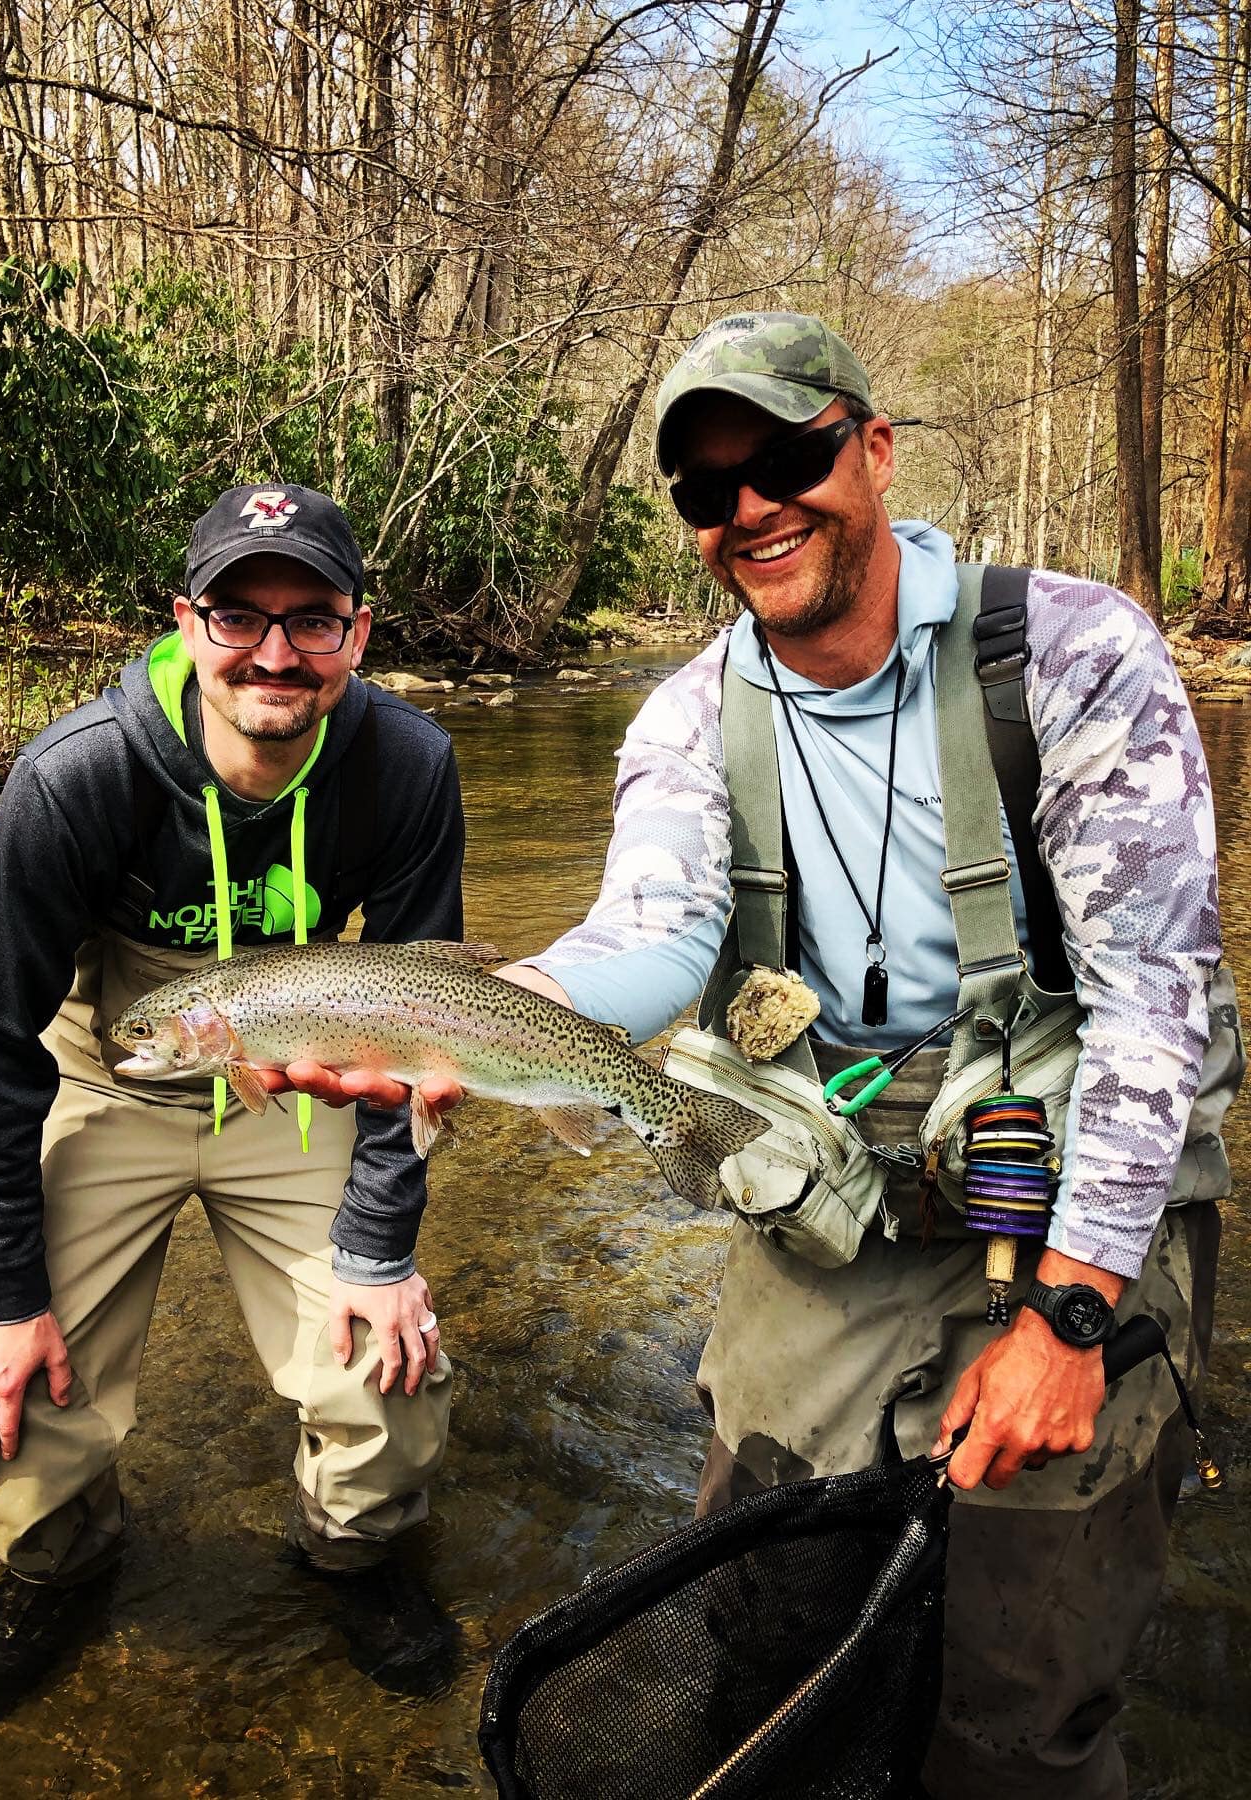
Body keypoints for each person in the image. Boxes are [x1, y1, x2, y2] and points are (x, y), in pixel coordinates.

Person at [317, 315, 1239, 1796]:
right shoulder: (689, 717)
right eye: (705, 488)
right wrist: (506, 1010)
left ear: (871, 449)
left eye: (787, 459)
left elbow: (1153, 1001)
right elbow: (660, 932)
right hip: (842, 1194)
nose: (750, 508)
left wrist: (1071, 1316)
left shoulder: (1069, 651)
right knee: (765, 1631)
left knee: (1028, 1705)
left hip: (1077, 1196)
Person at [0, 482, 462, 1702]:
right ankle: (55, 1563)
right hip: (104, 1065)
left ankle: (355, 1554)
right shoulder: (77, 776)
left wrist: (381, 1248)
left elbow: (423, 1025)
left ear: (358, 633)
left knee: (384, 1356)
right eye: (238, 615)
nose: (276, 652)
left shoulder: (410, 765)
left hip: (298, 1067)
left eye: (311, 618)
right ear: (186, 623)